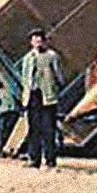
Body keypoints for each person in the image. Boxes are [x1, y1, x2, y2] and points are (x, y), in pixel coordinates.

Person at [20, 28, 64, 169]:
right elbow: (24, 78)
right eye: (35, 40)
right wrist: (24, 97)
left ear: (44, 41)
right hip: (32, 96)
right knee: (33, 129)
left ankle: (50, 159)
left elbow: (59, 76)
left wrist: (55, 89)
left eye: (40, 40)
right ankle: (34, 159)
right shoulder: (27, 58)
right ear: (31, 42)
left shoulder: (52, 56)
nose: (38, 42)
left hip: (47, 96)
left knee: (48, 129)